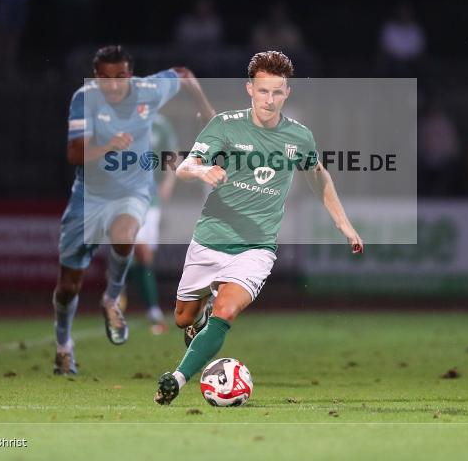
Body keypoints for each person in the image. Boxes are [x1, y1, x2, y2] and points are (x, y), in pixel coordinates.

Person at [153, 50, 363, 404]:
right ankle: (198, 319)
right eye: (263, 91)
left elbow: (318, 176)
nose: (269, 99)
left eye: (277, 92)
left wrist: (344, 224)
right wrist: (203, 170)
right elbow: (186, 166)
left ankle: (177, 378)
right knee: (183, 318)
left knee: (226, 311)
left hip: (256, 247)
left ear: (287, 93)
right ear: (249, 88)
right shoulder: (226, 125)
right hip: (211, 239)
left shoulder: (299, 137)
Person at [53, 45, 215, 375]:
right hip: (89, 196)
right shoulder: (84, 99)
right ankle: (63, 346)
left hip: (134, 191)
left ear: (131, 74)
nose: (113, 84)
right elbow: (73, 153)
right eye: (105, 78)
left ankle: (112, 299)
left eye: (120, 76)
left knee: (126, 235)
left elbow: (183, 74)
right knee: (68, 286)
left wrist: (206, 110)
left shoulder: (148, 89)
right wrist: (107, 146)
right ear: (95, 76)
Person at [129, 113, 179, 335]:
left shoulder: (161, 124)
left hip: (152, 200)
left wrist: (168, 181)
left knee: (145, 255)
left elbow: (172, 154)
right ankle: (119, 294)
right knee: (139, 248)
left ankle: (149, 307)